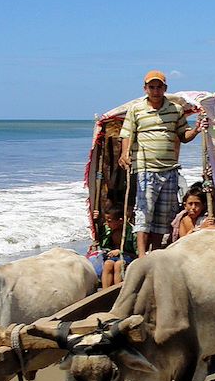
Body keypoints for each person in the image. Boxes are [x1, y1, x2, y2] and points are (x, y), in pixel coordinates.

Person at [118, 70, 206, 257]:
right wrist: (125, 154)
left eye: (159, 87)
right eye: (152, 87)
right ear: (145, 89)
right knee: (144, 212)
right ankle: (142, 255)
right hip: (146, 168)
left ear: (165, 88)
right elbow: (126, 134)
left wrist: (197, 129)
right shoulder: (136, 109)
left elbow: (184, 136)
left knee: (162, 214)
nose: (155, 90)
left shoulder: (175, 110)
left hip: (169, 170)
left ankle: (156, 252)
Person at [87, 206, 137, 289]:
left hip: (128, 258)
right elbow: (98, 236)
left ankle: (117, 292)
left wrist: (121, 252)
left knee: (119, 265)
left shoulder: (132, 233)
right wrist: (96, 219)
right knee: (108, 264)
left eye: (109, 221)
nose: (106, 223)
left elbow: (137, 254)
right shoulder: (108, 230)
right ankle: (105, 292)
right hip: (112, 258)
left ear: (120, 221)